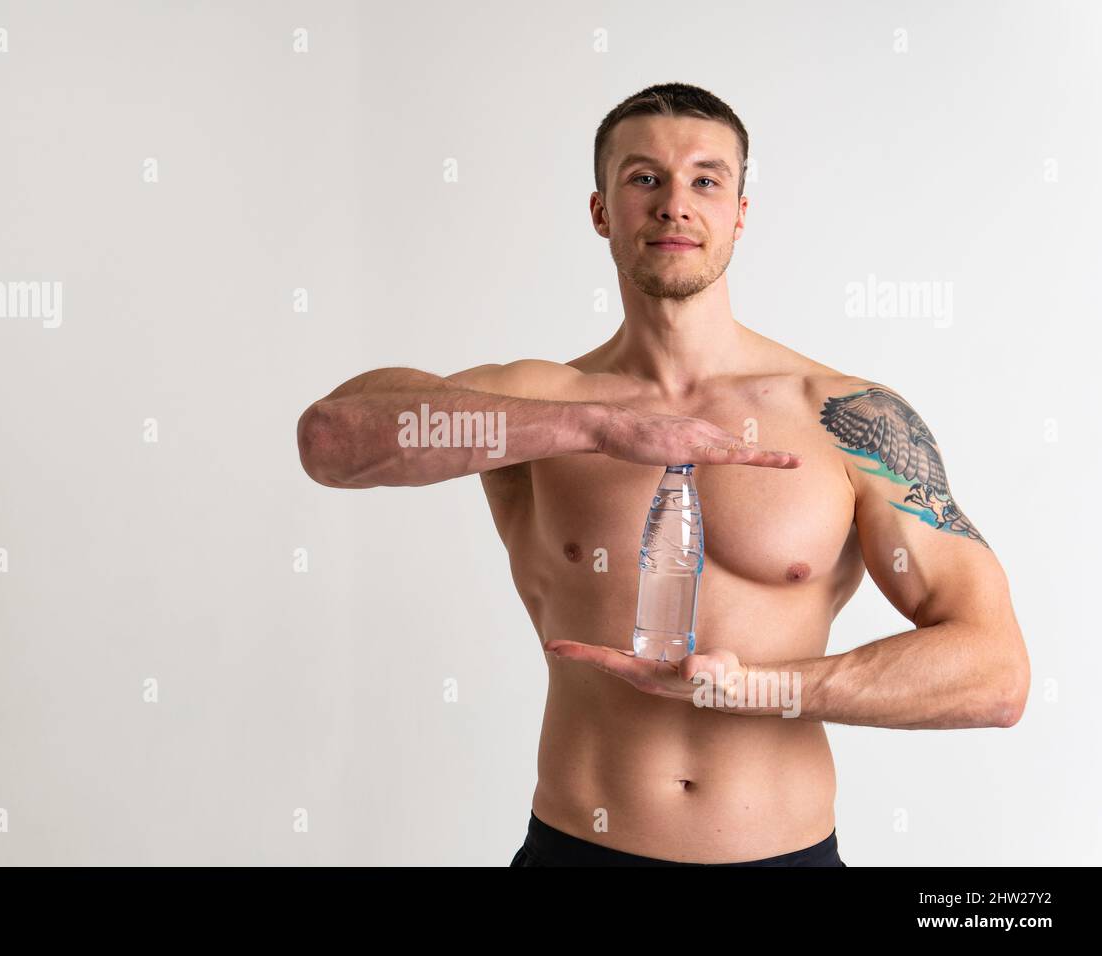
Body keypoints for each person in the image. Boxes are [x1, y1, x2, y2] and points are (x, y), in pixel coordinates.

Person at [295, 83, 1029, 867]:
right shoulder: (538, 403)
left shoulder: (848, 417)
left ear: (740, 213)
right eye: (644, 178)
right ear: (601, 211)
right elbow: (331, 438)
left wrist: (759, 688)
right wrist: (599, 426)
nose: (675, 204)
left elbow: (994, 674)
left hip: (785, 856)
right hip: (580, 851)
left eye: (706, 180)